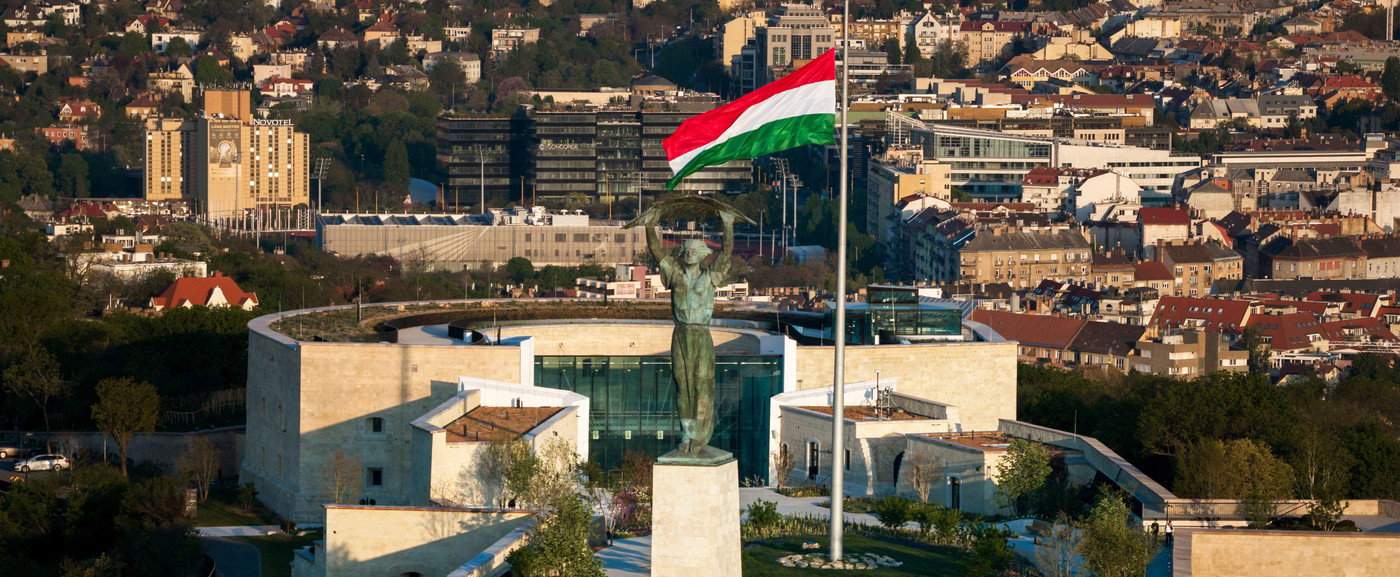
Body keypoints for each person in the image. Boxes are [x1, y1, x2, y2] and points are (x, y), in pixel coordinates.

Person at [644, 211, 735, 454]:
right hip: (681, 333)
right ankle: (687, 432)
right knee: (682, 384)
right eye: (686, 249)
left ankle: (701, 435)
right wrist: (649, 225)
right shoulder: (674, 275)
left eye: (695, 250)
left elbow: (726, 253)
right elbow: (657, 251)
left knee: (701, 385)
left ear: (703, 254)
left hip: (702, 335)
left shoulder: (711, 276)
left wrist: (727, 224)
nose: (690, 253)